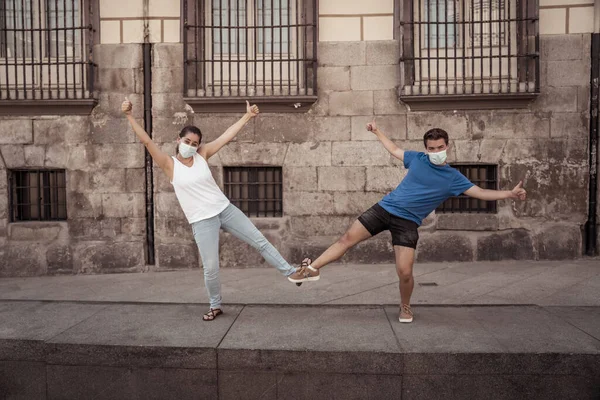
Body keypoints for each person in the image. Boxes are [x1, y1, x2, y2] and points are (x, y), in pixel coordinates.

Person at [288, 122, 527, 323]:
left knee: (404, 272)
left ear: (447, 147)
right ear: (426, 148)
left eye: (440, 147)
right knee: (346, 239)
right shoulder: (417, 158)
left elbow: (481, 193)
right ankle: (312, 269)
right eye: (432, 148)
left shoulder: (454, 178)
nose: (436, 151)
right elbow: (393, 149)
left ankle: (405, 306)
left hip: (408, 223)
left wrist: (509, 194)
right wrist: (376, 131)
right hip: (385, 208)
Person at [122, 98, 300, 321]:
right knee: (211, 267)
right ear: (178, 140)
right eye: (187, 141)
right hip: (201, 220)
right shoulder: (170, 165)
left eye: (194, 143)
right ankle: (215, 305)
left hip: (225, 209)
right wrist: (129, 115)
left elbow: (226, 137)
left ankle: (292, 273)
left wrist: (247, 116)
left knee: (260, 241)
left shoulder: (202, 155)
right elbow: (147, 142)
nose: (190, 146)